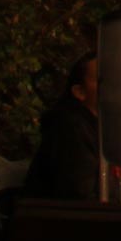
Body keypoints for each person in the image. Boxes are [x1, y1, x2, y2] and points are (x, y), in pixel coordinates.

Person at [28, 51, 106, 202]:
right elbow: (80, 196)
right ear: (80, 92)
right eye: (101, 79)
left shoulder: (106, 129)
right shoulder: (71, 129)